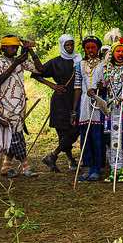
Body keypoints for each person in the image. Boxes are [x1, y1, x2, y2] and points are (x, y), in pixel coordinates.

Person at [0, 35, 43, 177]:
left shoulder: (20, 61)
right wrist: (15, 64)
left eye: (17, 47)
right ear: (3, 47)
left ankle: (5, 168)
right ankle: (26, 167)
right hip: (5, 105)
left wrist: (30, 51)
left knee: (12, 135)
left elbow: (41, 69)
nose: (15, 49)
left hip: (20, 106)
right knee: (16, 136)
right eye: (12, 47)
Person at [37, 34, 82, 172]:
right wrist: (52, 85)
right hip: (60, 99)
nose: (70, 47)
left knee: (75, 129)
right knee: (63, 131)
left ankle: (53, 155)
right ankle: (70, 160)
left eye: (71, 44)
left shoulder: (78, 60)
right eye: (67, 45)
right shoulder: (55, 62)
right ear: (62, 46)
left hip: (75, 98)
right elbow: (36, 73)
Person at [99, 29, 123, 183]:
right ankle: (112, 169)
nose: (120, 54)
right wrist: (100, 86)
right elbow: (103, 86)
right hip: (110, 110)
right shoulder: (106, 68)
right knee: (110, 139)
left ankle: (122, 170)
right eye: (118, 51)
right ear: (113, 53)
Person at [74, 36, 106, 181]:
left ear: (98, 48)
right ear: (84, 49)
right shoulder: (80, 65)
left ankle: (97, 168)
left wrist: (102, 86)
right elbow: (77, 87)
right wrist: (75, 109)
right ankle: (87, 166)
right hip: (84, 103)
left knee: (97, 137)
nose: (91, 50)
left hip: (99, 103)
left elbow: (107, 83)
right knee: (85, 137)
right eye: (88, 48)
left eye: (93, 47)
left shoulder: (105, 64)